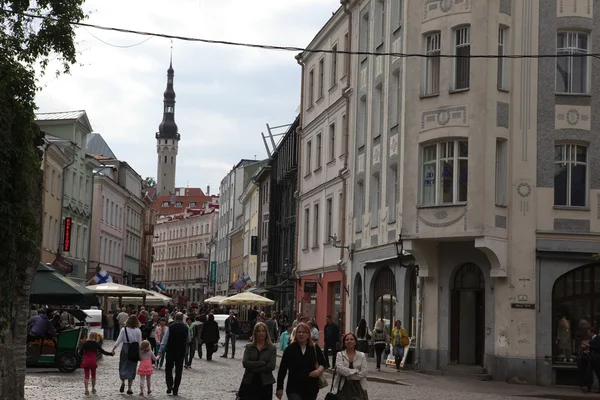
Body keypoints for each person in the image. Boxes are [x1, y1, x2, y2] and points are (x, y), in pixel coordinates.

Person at [276, 322, 326, 400]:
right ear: (295, 334)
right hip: (294, 388)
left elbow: (323, 363)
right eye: (299, 332)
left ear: (308, 334)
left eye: (304, 332)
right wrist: (279, 388)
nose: (301, 334)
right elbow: (282, 369)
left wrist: (318, 371)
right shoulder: (290, 349)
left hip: (311, 388)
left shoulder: (314, 348)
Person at [239, 322, 277, 400]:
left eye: (263, 331)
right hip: (249, 381)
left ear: (266, 333)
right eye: (259, 331)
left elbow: (271, 366)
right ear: (255, 333)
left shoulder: (271, 348)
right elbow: (245, 363)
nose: (261, 333)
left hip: (265, 383)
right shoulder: (249, 347)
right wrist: (262, 363)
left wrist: (253, 368)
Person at [159, 312, 190, 396]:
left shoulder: (171, 327)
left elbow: (165, 340)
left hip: (171, 351)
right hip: (180, 352)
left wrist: (161, 350)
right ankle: (175, 389)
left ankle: (169, 386)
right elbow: (188, 339)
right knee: (178, 371)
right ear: (182, 318)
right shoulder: (186, 328)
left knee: (168, 369)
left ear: (175, 318)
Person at [112, 315, 142, 395]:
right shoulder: (138, 330)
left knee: (123, 365)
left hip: (125, 348)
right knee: (132, 367)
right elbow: (140, 342)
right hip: (134, 349)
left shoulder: (123, 329)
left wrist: (113, 349)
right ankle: (129, 388)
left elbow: (119, 340)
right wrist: (141, 353)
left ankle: (122, 381)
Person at [333, 333, 369, 399]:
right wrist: (355, 371)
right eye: (347, 340)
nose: (349, 341)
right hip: (343, 387)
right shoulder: (340, 355)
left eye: (351, 339)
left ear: (355, 342)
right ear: (344, 342)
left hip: (359, 388)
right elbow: (341, 370)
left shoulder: (362, 355)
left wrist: (349, 376)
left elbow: (364, 372)